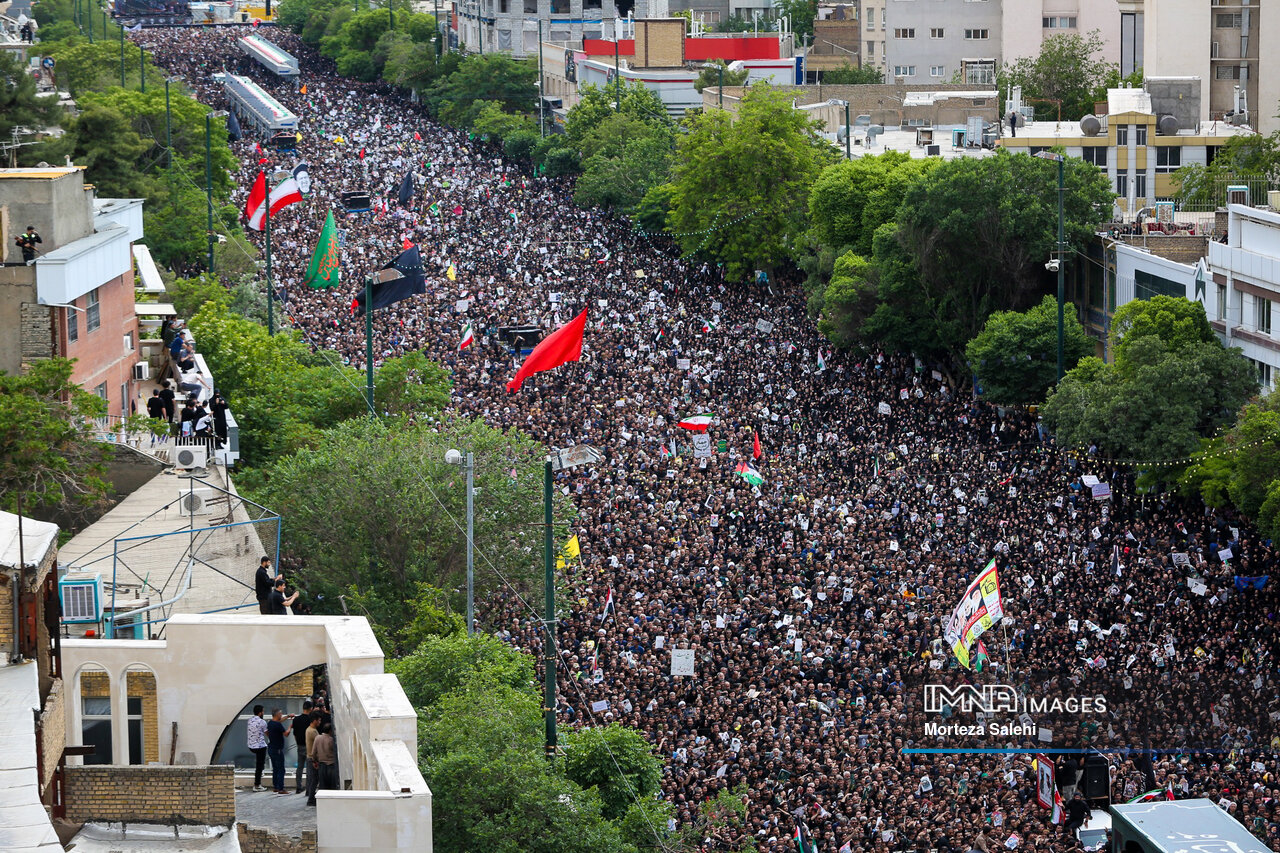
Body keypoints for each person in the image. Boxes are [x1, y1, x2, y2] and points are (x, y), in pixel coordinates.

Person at [288, 700, 313, 794]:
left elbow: (294, 734)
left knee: (300, 767)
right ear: (310, 709)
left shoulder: (296, 719)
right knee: (309, 768)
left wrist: (298, 743)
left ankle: (299, 787)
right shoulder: (310, 719)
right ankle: (308, 789)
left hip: (299, 745)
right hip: (309, 746)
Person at [311, 722, 338, 802]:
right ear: (330, 731)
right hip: (331, 764)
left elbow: (313, 752)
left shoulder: (317, 738)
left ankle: (323, 802)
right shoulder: (331, 740)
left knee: (323, 786)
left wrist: (314, 761)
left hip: (321, 765)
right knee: (332, 787)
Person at [266, 708, 290, 794]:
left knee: (275, 768)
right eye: (281, 714)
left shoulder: (270, 723)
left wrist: (287, 716)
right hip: (278, 750)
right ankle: (281, 788)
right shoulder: (278, 725)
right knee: (281, 769)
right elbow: (286, 734)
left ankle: (276, 787)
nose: (281, 715)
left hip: (271, 748)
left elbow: (279, 722)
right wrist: (290, 727)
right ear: (277, 714)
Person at [246, 704, 268, 792]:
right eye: (263, 711)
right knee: (259, 764)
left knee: (259, 763)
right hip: (259, 746)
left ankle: (261, 770)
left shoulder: (249, 720)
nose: (263, 713)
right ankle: (257, 785)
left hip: (251, 746)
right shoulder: (262, 722)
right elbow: (267, 733)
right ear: (260, 713)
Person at [304, 712, 322, 805]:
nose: (319, 722)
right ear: (314, 720)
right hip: (313, 758)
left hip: (310, 757)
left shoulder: (309, 729)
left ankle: (311, 797)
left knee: (313, 779)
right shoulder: (313, 732)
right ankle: (311, 799)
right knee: (314, 780)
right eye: (318, 720)